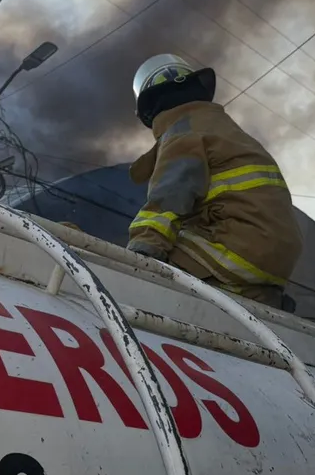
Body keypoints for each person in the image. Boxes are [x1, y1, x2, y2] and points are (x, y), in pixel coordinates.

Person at [126, 53, 303, 310]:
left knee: (163, 262)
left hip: (239, 245)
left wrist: (138, 254)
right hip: (276, 257)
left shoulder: (182, 131)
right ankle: (264, 298)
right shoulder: (224, 129)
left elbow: (169, 198)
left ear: (150, 108)